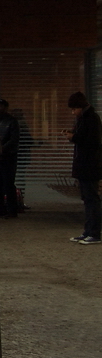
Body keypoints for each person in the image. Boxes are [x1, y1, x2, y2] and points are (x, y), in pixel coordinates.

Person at [63, 91, 101, 244]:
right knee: (87, 199)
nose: (73, 112)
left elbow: (92, 142)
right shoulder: (83, 119)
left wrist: (74, 137)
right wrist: (74, 135)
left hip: (90, 166)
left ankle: (94, 233)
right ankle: (88, 231)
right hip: (85, 165)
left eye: (74, 109)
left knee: (92, 199)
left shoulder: (91, 118)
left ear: (80, 106)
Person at [0, 99, 21, 218]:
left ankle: (11, 210)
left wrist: (1, 149)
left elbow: (14, 140)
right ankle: (0, 209)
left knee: (8, 183)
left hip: (8, 157)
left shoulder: (12, 122)